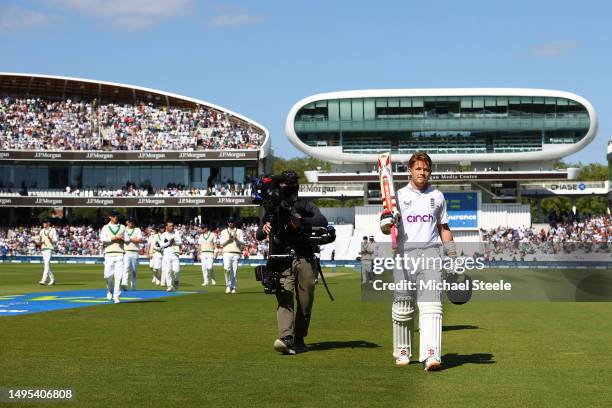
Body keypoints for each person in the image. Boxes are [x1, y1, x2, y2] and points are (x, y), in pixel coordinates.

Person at [383, 152, 456, 371]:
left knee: (431, 305)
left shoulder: (438, 196)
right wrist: (387, 223)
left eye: (426, 169)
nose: (422, 173)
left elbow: (444, 229)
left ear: (430, 172)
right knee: (403, 306)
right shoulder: (397, 196)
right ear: (410, 170)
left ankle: (431, 355)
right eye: (418, 169)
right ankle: (403, 351)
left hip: (431, 253)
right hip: (405, 254)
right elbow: (386, 227)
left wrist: (452, 257)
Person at [256, 170, 328, 355]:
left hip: (305, 256)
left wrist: (301, 221)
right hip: (281, 259)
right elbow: (260, 233)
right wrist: (264, 229)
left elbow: (322, 219)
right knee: (284, 298)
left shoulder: (304, 204)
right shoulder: (273, 208)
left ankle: (299, 337)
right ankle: (286, 337)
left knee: (305, 301)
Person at [100, 210, 126, 304]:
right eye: (114, 216)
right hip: (109, 254)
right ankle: (109, 290)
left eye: (116, 216)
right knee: (107, 276)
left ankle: (116, 296)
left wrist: (122, 239)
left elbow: (127, 239)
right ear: (110, 217)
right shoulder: (105, 227)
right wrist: (113, 238)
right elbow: (102, 239)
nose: (116, 217)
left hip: (120, 254)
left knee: (118, 277)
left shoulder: (122, 227)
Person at [220, 217, 244, 294]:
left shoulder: (239, 231)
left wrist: (236, 239)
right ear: (227, 222)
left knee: (234, 271)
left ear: (234, 222)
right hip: (227, 252)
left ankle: (233, 287)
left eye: (232, 221)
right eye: (229, 222)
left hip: (236, 253)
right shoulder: (224, 231)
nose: (231, 223)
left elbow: (243, 243)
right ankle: (228, 285)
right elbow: (221, 244)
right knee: (227, 268)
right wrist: (229, 240)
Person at [160, 220, 182, 292]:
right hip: (167, 255)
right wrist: (169, 243)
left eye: (172, 226)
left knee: (176, 271)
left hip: (175, 254)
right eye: (170, 226)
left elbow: (180, 242)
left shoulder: (176, 233)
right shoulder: (163, 235)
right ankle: (169, 286)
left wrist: (175, 242)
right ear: (166, 227)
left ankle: (176, 282)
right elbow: (161, 245)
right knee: (168, 271)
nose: (172, 227)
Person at [122, 216, 143, 291]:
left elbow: (140, 240)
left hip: (135, 252)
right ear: (127, 222)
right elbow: (122, 239)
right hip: (126, 252)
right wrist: (133, 240)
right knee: (126, 268)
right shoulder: (123, 229)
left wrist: (130, 239)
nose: (131, 223)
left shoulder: (137, 230)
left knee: (134, 270)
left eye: (132, 221)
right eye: (130, 221)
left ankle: (133, 285)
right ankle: (124, 283)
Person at [37, 218, 58, 286]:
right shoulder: (42, 231)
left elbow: (55, 241)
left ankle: (44, 280)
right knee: (46, 265)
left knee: (46, 264)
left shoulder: (53, 230)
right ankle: (52, 280)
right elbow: (40, 240)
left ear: (48, 223)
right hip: (43, 249)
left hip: (49, 248)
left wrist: (50, 239)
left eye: (45, 223)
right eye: (43, 223)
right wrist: (39, 243)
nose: (44, 224)